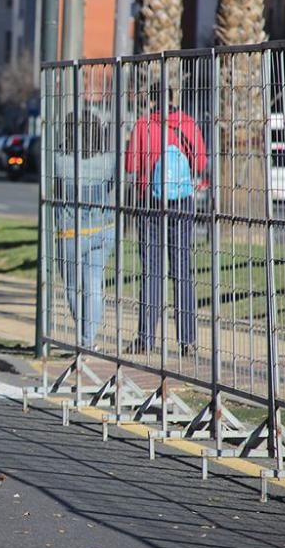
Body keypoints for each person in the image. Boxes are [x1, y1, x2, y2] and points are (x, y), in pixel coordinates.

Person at [123, 83, 207, 356]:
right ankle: (188, 341)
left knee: (151, 271)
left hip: (150, 202)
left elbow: (130, 166)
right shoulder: (187, 124)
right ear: (173, 98)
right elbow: (201, 163)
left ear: (151, 100)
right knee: (182, 269)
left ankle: (146, 338)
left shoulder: (143, 125)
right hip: (182, 202)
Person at [56, 114, 117, 351]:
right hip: (103, 228)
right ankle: (89, 340)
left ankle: (83, 338)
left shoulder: (59, 162)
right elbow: (111, 185)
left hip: (71, 232)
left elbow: (55, 188)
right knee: (94, 284)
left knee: (73, 286)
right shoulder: (108, 160)